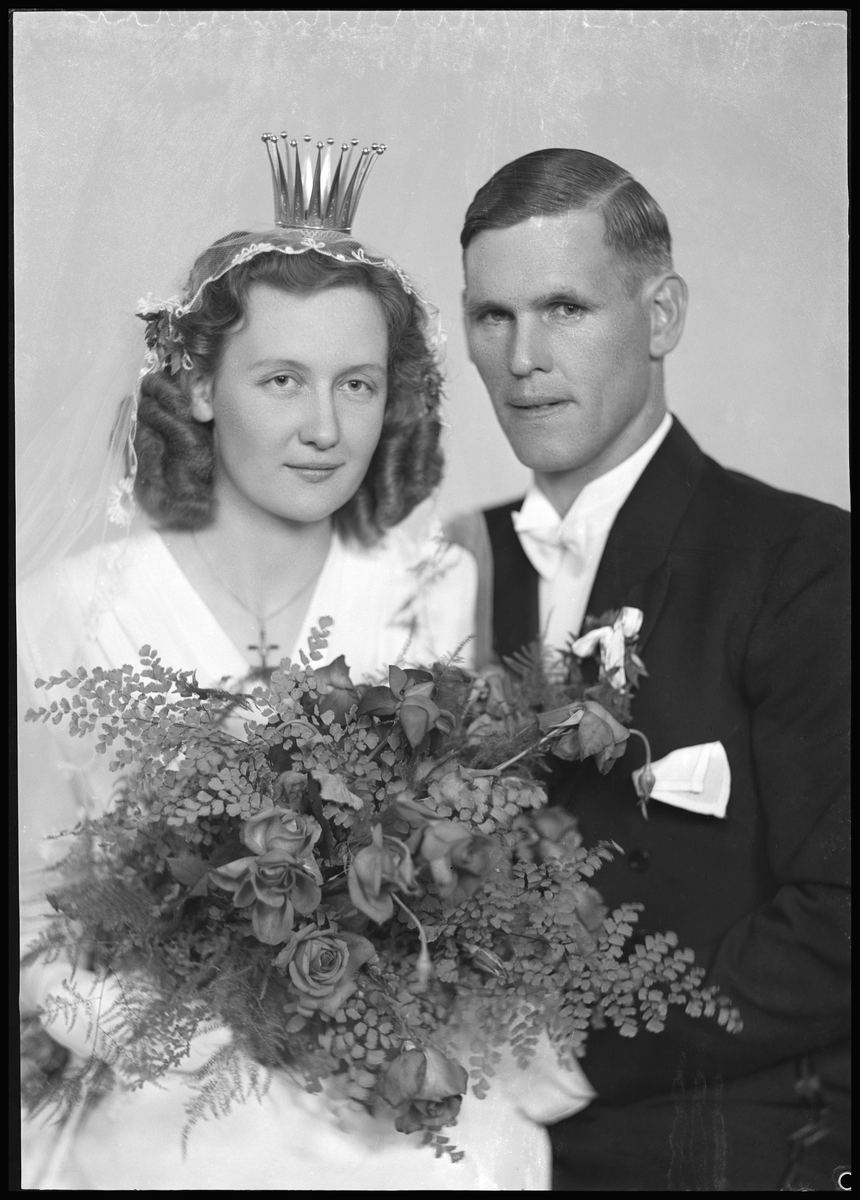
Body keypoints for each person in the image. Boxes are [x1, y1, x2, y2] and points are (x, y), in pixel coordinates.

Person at [17, 139, 592, 1189]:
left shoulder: (435, 587)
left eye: (357, 385)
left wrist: (390, 1023)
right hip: (160, 1080)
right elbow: (30, 911)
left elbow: (467, 867)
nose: (325, 429)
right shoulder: (66, 614)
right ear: (198, 384)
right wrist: (182, 1036)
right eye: (281, 380)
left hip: (379, 1076)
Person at [449, 148, 850, 1191]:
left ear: (660, 315)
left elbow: (842, 916)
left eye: (564, 308)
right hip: (468, 1140)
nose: (522, 358)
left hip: (727, 1139)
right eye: (491, 316)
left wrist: (579, 1051)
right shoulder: (447, 567)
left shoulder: (803, 563)